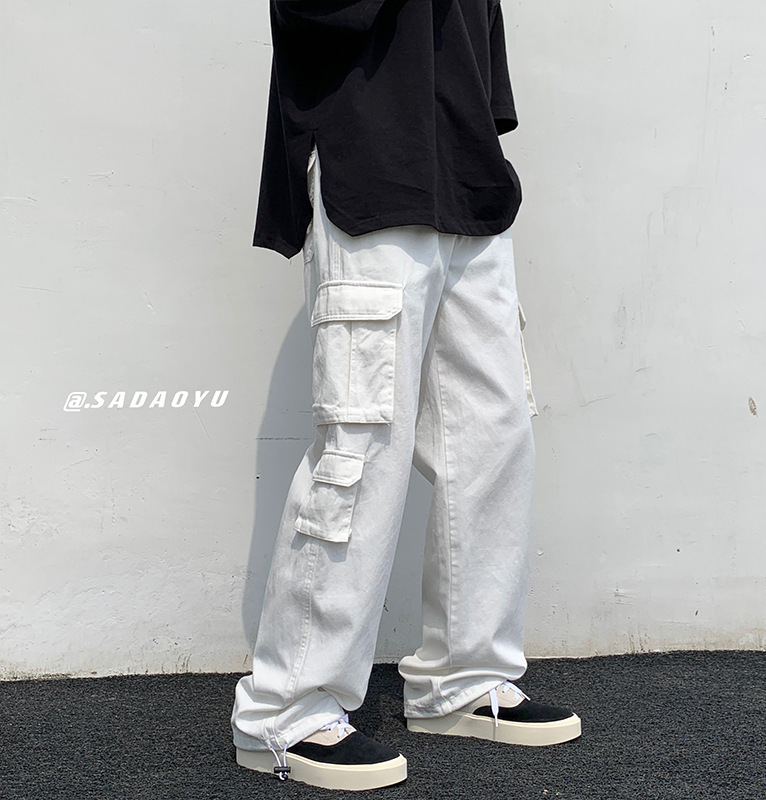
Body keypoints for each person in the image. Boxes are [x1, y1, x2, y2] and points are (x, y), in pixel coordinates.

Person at [231, 0, 581, 790]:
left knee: (494, 436)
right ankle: (285, 712)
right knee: (363, 444)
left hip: (466, 170)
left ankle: (465, 677)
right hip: (371, 160)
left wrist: (480, 124)